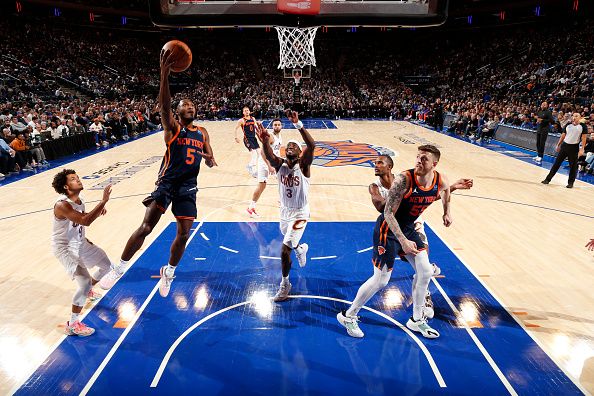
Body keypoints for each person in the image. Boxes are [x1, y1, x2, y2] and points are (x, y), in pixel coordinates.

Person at [99, 47, 217, 297]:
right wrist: (164, 75)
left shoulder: (203, 132)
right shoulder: (173, 129)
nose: (191, 107)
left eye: (193, 105)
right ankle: (119, 268)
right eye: (186, 106)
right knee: (145, 227)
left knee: (184, 234)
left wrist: (208, 159)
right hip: (166, 184)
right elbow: (164, 107)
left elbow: (209, 157)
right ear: (178, 111)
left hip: (188, 186)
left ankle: (169, 272)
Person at [338, 145, 451, 339]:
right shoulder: (404, 180)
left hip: (408, 227)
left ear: (434, 164)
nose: (418, 161)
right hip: (388, 230)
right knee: (381, 280)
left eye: (424, 159)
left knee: (425, 271)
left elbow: (446, 192)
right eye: (417, 157)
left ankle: (416, 320)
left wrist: (447, 212)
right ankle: (349, 315)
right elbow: (387, 213)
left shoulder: (440, 180)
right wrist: (404, 241)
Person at [367, 154, 473, 318]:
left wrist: (452, 187)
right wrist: (396, 199)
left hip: (413, 223)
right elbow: (381, 207)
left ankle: (425, 297)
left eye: (379, 162)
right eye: (375, 163)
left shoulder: (405, 179)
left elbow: (430, 195)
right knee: (403, 266)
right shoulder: (375, 186)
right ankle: (429, 270)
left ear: (389, 166)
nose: (375, 165)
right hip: (392, 225)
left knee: (422, 263)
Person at [255, 110, 315, 302]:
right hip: (284, 211)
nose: (290, 147)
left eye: (294, 146)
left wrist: (298, 124)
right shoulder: (280, 164)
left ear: (299, 153)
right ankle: (300, 249)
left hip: (300, 212)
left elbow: (312, 145)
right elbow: (269, 155)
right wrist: (264, 141)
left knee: (284, 248)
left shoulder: (304, 165)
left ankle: (285, 284)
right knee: (289, 239)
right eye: (287, 146)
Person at [51, 169, 113, 336]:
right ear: (66, 186)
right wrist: (103, 202)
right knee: (83, 282)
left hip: (80, 243)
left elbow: (81, 217)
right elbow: (85, 221)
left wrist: (96, 212)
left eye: (78, 177)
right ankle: (73, 324)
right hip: (65, 247)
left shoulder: (79, 200)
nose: (78, 180)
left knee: (106, 266)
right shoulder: (61, 204)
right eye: (73, 179)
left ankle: (89, 291)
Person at [247, 118, 283, 218]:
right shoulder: (270, 137)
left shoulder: (279, 135)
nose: (277, 126)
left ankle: (282, 201)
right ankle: (251, 208)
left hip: (273, 162)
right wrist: (269, 166)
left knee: (282, 180)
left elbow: (276, 151)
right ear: (272, 126)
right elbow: (263, 152)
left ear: (281, 126)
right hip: (265, 163)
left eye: (278, 125)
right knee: (262, 185)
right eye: (275, 125)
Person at [541, 112, 587, 188]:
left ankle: (570, 183)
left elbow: (584, 138)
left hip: (574, 148)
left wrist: (582, 149)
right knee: (556, 164)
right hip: (565, 146)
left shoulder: (583, 126)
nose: (574, 117)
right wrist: (558, 145)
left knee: (573, 166)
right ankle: (547, 179)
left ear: (580, 117)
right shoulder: (568, 125)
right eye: (573, 116)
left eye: (576, 116)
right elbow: (563, 135)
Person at [234, 106, 260, 177]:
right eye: (245, 111)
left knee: (259, 153)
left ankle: (250, 166)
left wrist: (260, 133)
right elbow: (235, 129)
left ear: (249, 111)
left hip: (254, 138)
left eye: (247, 110)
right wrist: (236, 137)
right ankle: (253, 171)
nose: (247, 112)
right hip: (247, 139)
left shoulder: (253, 118)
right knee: (254, 153)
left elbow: (256, 127)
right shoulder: (241, 120)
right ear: (243, 112)